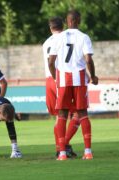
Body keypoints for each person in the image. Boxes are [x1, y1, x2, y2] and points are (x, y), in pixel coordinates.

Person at [48, 10, 98, 160]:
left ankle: (62, 153)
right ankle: (88, 152)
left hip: (63, 80)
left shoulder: (58, 38)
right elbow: (88, 60)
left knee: (62, 114)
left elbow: (50, 62)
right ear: (79, 20)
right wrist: (93, 75)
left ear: (67, 21)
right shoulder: (84, 37)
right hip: (79, 79)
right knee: (82, 114)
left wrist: (56, 77)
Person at [43, 17, 79, 158]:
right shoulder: (65, 39)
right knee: (77, 113)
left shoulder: (46, 43)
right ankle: (63, 146)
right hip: (62, 78)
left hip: (48, 80)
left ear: (50, 28)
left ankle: (63, 147)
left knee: (60, 116)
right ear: (63, 26)